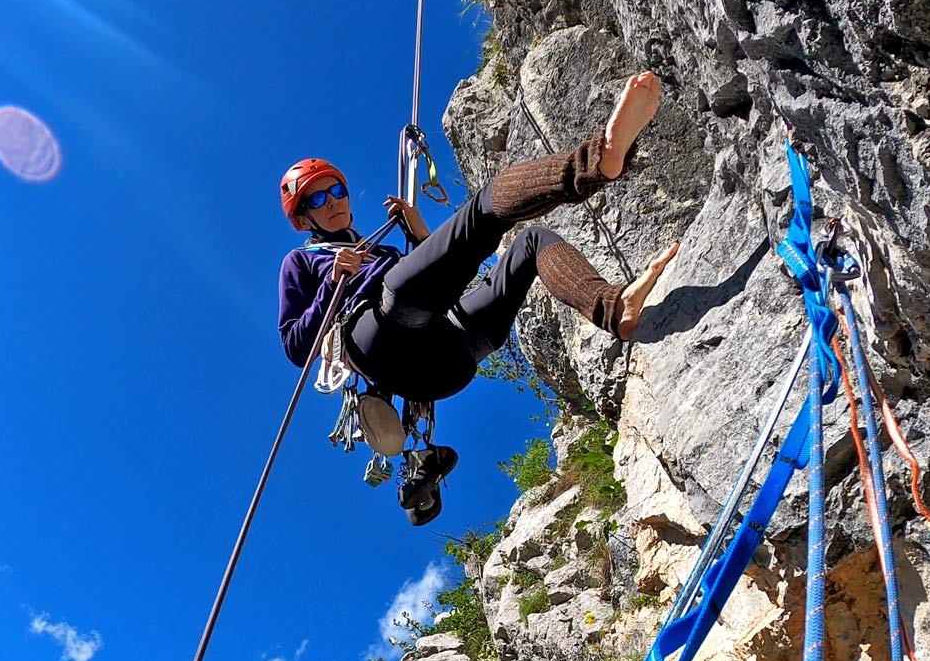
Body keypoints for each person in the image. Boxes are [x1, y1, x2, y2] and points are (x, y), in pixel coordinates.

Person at [277, 71, 681, 526]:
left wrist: (418, 232)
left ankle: (611, 306)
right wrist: (332, 283)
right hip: (378, 336)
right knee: (483, 207)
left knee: (529, 243)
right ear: (303, 218)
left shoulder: (384, 249)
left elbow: (437, 272)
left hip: (443, 361)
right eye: (317, 200)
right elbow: (295, 346)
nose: (332, 201)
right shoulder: (302, 262)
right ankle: (597, 160)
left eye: (336, 190)